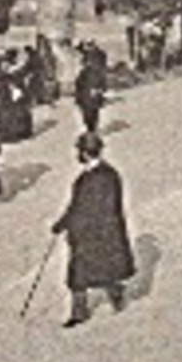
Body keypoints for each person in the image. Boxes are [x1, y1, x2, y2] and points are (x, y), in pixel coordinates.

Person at [52, 132, 136, 328]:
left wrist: (75, 223)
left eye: (79, 150)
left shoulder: (103, 176)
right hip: (90, 233)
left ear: (85, 152)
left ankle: (114, 298)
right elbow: (77, 205)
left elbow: (98, 208)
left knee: (96, 271)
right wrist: (64, 223)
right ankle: (80, 312)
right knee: (85, 275)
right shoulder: (94, 175)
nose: (77, 154)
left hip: (98, 234)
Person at [74, 54, 108, 134]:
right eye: (85, 63)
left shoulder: (98, 73)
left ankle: (92, 130)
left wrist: (98, 90)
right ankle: (89, 128)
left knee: (94, 114)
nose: (87, 64)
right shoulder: (83, 73)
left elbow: (103, 85)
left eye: (88, 62)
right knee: (86, 115)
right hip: (84, 98)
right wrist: (78, 96)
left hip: (94, 99)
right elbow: (78, 85)